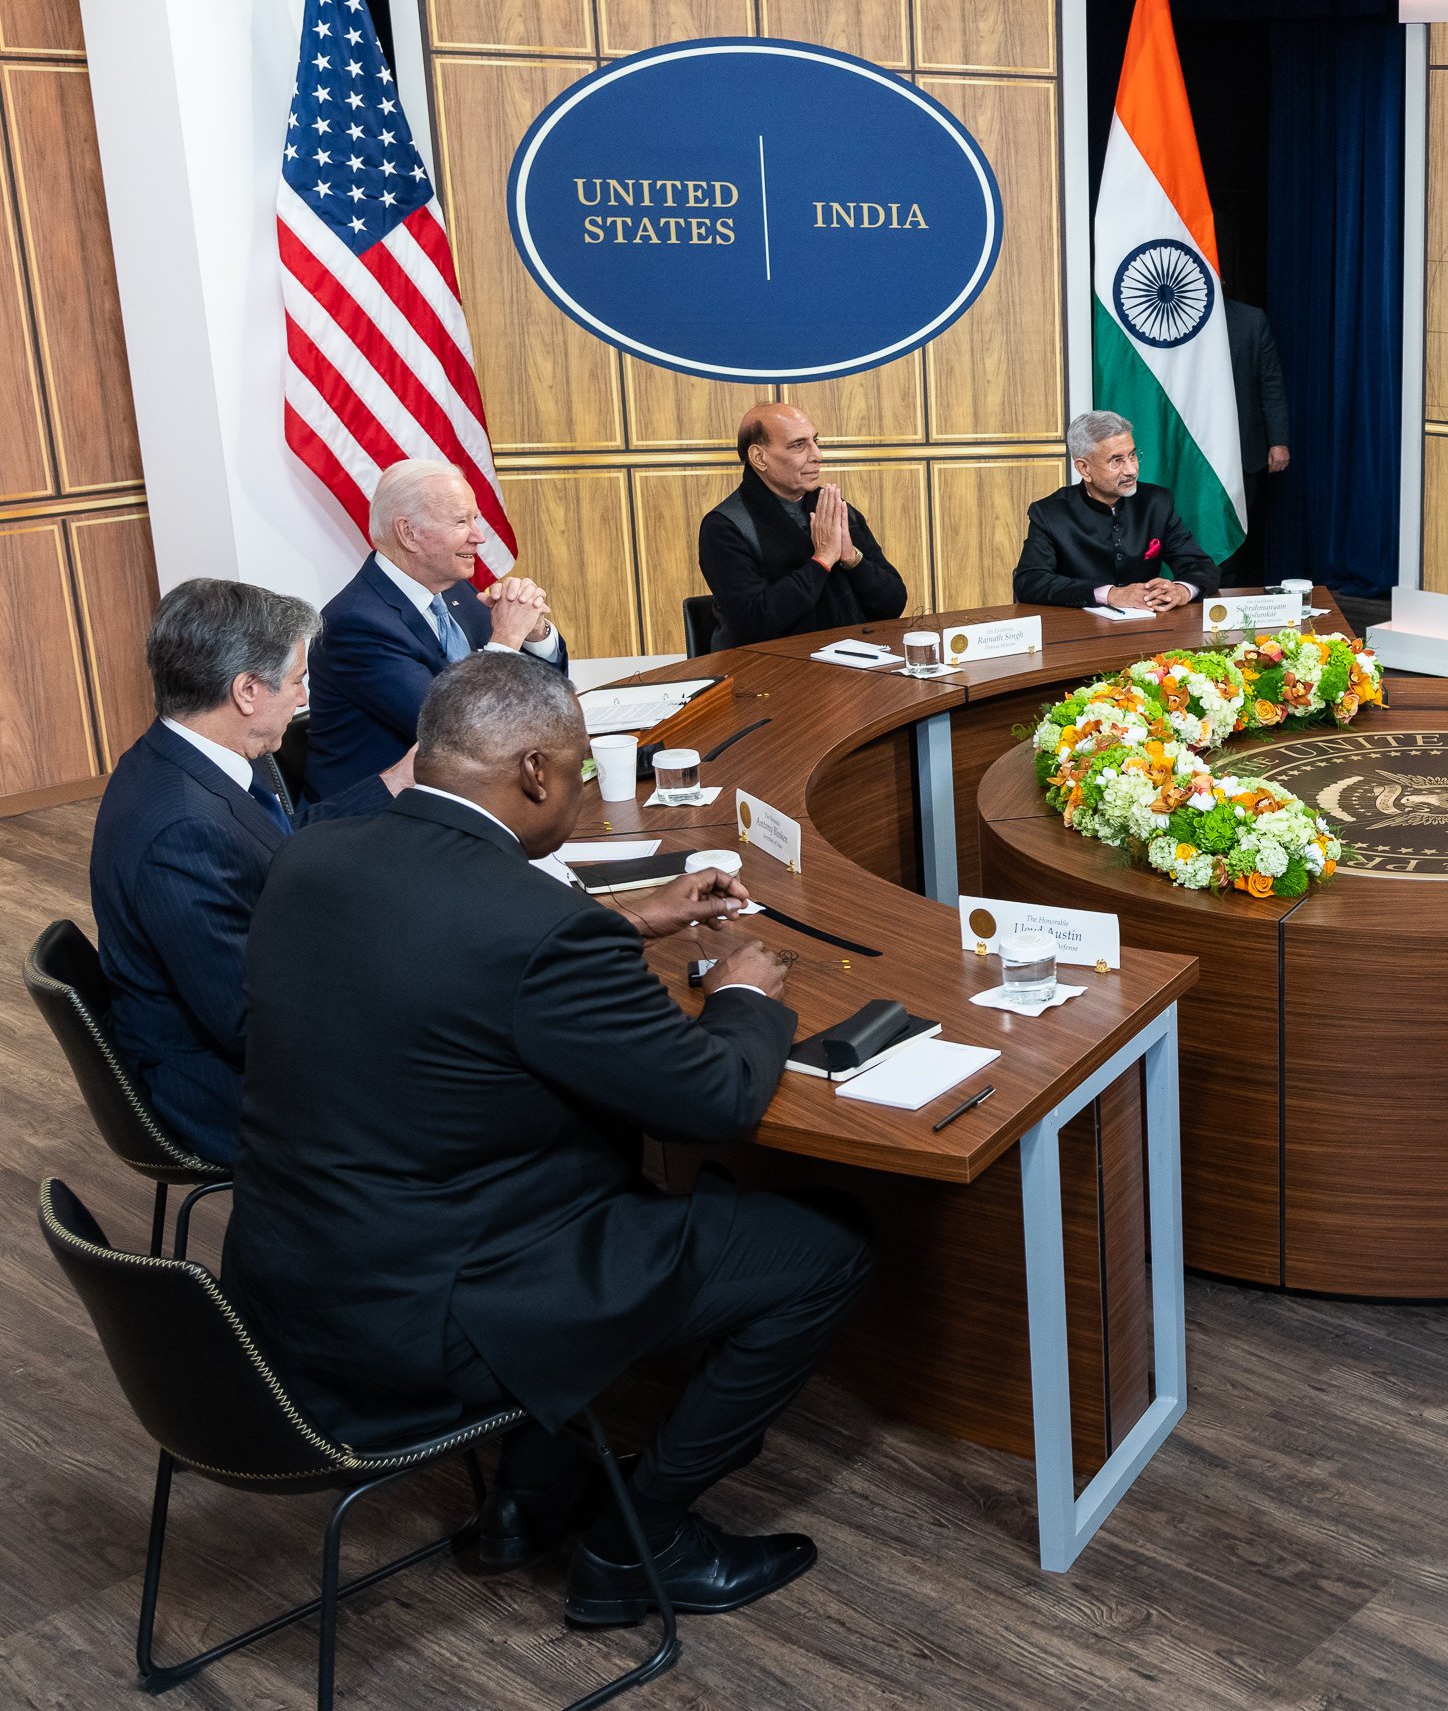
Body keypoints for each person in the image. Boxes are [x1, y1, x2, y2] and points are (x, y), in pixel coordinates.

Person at [223, 655, 871, 1624]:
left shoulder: (311, 858)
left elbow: (440, 949)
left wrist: (625, 919)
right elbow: (714, 1099)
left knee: (603, 1170)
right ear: (534, 771)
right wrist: (742, 991)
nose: (578, 789)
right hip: (438, 1311)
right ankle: (635, 1542)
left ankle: (530, 1492)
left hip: (285, 1282)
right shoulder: (534, 927)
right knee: (824, 1250)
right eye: (577, 771)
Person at [85, 580, 404, 1164]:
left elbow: (277, 843)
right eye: (300, 680)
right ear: (248, 690)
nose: (305, 698)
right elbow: (248, 1024)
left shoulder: (190, 755)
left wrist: (391, 785)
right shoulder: (181, 832)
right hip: (220, 1090)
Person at [308, 458, 565, 797]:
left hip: (469, 796)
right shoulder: (354, 625)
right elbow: (458, 731)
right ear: (408, 533)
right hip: (385, 822)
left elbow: (548, 697)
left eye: (475, 519)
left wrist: (535, 635)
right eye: (461, 521)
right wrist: (505, 637)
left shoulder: (456, 592)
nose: (479, 537)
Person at [698, 402, 909, 650]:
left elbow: (893, 603)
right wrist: (821, 561)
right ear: (759, 457)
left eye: (815, 442)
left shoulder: (832, 508)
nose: (817, 455)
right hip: (771, 672)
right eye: (799, 445)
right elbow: (756, 622)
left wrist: (851, 558)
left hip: (852, 661)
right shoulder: (727, 526)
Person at [1014, 409, 1222, 610]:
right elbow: (1030, 581)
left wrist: (1182, 590)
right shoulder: (1049, 513)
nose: (1131, 469)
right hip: (1080, 631)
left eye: (1132, 455)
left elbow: (1202, 566)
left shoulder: (1157, 502)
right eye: (1117, 461)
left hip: (1149, 629)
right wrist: (1111, 594)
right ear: (1084, 468)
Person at [1221, 297, 1292, 585]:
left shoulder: (1251, 320)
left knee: (1234, 535)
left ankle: (1226, 602)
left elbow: (1270, 383)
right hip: (1188, 451)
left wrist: (1279, 441)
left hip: (1243, 451)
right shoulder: (1170, 316)